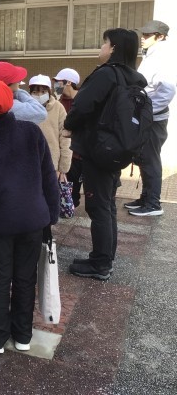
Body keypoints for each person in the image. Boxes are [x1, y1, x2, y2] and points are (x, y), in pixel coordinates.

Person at [0, 80, 59, 354]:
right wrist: (51, 213)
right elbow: (48, 176)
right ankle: (23, 334)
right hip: (33, 220)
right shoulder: (31, 131)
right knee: (26, 278)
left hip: (0, 225)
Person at [64, 28, 147, 280]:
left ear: (113, 49)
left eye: (104, 43)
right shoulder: (133, 77)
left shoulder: (107, 74)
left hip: (98, 150)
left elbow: (82, 105)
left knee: (98, 207)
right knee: (107, 205)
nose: (101, 48)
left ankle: (100, 264)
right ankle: (104, 257)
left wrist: (69, 126)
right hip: (117, 149)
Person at [0, 61, 47, 270]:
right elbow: (40, 112)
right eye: (16, 82)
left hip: (0, 215)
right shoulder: (15, 111)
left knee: (1, 273)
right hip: (26, 212)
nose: (20, 85)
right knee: (23, 274)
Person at [125, 20, 175, 217]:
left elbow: (167, 91)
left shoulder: (162, 56)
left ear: (160, 36)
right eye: (143, 34)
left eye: (148, 35)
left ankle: (153, 203)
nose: (143, 38)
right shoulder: (152, 54)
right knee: (144, 158)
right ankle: (146, 198)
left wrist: (147, 112)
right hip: (148, 115)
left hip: (153, 118)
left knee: (150, 159)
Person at [28, 74, 72, 239]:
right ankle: (31, 233)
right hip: (28, 162)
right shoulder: (26, 108)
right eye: (35, 91)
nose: (39, 95)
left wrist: (63, 167)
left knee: (47, 199)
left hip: (51, 163)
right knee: (30, 199)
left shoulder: (58, 108)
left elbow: (65, 137)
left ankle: (46, 234)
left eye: (42, 91)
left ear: (49, 91)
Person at [54, 68, 82, 208]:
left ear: (69, 82)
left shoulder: (84, 100)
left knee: (76, 188)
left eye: (58, 82)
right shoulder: (58, 101)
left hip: (80, 153)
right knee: (63, 188)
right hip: (65, 152)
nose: (56, 85)